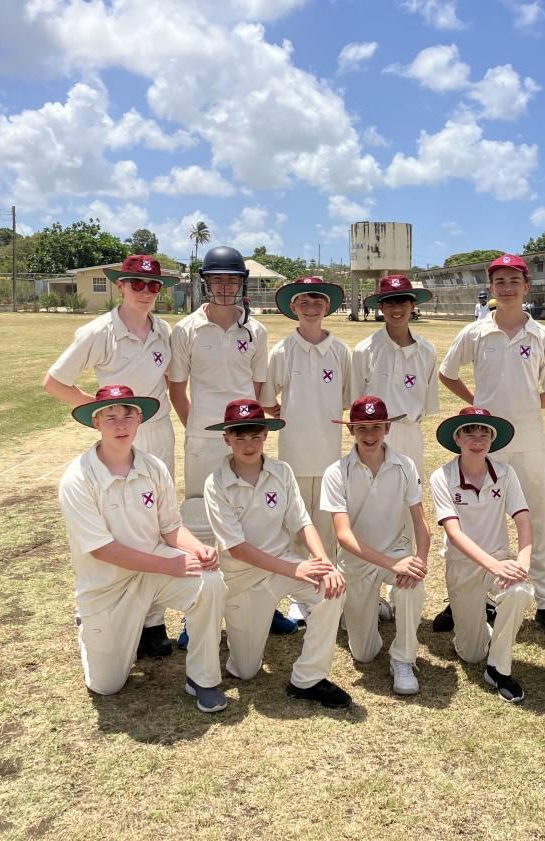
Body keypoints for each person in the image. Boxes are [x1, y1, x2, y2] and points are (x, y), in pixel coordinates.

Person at [57, 385, 227, 712]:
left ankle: (202, 678)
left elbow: (170, 528)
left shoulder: (153, 467)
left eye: (128, 416)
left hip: (154, 571)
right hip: (108, 586)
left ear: (139, 420)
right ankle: (90, 627)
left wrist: (198, 549)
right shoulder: (78, 478)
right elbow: (102, 549)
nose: (121, 424)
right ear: (96, 422)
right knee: (107, 686)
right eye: (111, 417)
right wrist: (171, 565)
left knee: (210, 580)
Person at [44, 254, 178, 658]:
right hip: (120, 437)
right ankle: (107, 610)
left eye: (153, 285)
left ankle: (152, 622)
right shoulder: (99, 331)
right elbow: (55, 382)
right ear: (120, 286)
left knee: (156, 523)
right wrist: (102, 413)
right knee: (117, 526)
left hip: (157, 432)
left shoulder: (164, 330)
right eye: (136, 284)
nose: (145, 292)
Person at [166, 245, 295, 647]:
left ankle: (264, 603)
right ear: (205, 282)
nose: (224, 286)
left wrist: (243, 434)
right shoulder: (186, 329)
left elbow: (256, 388)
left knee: (255, 516)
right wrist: (200, 430)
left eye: (232, 280)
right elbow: (177, 389)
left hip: (244, 435)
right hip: (204, 438)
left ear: (242, 283)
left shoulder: (256, 331)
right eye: (217, 279)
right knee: (200, 521)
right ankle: (197, 612)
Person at [437, 253, 545, 640]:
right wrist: (478, 402)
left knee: (535, 519)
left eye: (514, 281)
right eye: (499, 282)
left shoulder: (543, 336)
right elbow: (447, 373)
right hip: (483, 442)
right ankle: (467, 597)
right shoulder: (475, 332)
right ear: (491, 287)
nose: (507, 288)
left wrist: (522, 405)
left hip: (528, 441)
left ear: (526, 286)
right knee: (474, 519)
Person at [203, 399, 351, 708]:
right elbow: (236, 548)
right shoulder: (216, 483)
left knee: (332, 588)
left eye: (256, 436)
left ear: (266, 435)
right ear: (226, 438)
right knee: (245, 672)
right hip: (244, 580)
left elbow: (302, 522)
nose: (249, 445)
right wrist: (295, 569)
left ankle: (308, 678)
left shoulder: (281, 471)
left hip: (284, 567)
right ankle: (242, 631)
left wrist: (325, 563)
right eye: (240, 437)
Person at [321, 396, 430, 694]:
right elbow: (343, 535)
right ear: (351, 430)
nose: (369, 435)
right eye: (362, 428)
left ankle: (404, 658)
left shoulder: (405, 465)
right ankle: (372, 606)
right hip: (356, 562)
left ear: (387, 429)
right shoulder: (336, 472)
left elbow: (421, 522)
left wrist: (419, 562)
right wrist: (392, 564)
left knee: (412, 584)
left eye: (376, 427)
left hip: (395, 552)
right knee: (364, 654)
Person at [260, 276, 351, 624]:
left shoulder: (340, 351)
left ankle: (327, 590)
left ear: (327, 307)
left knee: (326, 527)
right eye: (304, 302)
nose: (311, 307)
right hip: (294, 453)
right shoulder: (283, 350)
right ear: (293, 307)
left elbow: (347, 399)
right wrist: (286, 412)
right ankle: (301, 595)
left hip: (329, 455)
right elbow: (267, 399)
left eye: (318, 301)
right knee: (297, 526)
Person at [430, 408, 534, 703]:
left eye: (484, 434)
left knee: (519, 591)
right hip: (462, 565)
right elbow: (454, 534)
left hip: (498, 558)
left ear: (492, 439)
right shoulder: (442, 476)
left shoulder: (505, 473)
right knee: (471, 653)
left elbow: (524, 520)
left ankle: (498, 669)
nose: (477, 440)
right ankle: (483, 615)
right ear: (457, 439)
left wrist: (522, 562)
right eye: (469, 433)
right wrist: (494, 565)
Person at [352, 275, 439, 477]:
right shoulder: (364, 350)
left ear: (413, 305)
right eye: (390, 302)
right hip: (374, 434)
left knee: (411, 489)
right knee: (373, 489)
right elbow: (356, 402)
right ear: (381, 307)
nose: (396, 309)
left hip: (411, 431)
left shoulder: (427, 351)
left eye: (402, 302)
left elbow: (428, 403)